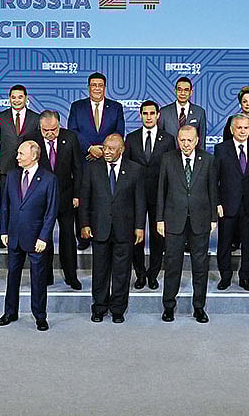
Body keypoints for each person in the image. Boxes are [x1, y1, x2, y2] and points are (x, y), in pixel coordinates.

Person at [79, 133, 145, 323]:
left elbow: (140, 201)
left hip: (124, 229)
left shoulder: (135, 170)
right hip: (100, 228)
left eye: (111, 149)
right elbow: (85, 199)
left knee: (121, 272)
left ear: (121, 150)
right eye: (105, 147)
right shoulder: (92, 168)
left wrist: (140, 227)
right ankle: (99, 308)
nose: (106, 152)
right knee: (99, 271)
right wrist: (84, 224)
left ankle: (118, 309)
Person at [157, 125, 217, 323]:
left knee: (200, 267)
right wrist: (159, 219)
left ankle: (199, 307)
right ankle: (169, 306)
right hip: (174, 220)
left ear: (197, 140)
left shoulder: (208, 160)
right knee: (173, 265)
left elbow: (212, 191)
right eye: (182, 140)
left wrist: (213, 218)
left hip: (200, 221)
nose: (185, 144)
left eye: (189, 140)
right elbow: (161, 191)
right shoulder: (168, 159)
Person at [0, 141, 58, 331]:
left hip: (36, 238)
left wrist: (44, 237)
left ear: (34, 156)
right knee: (12, 276)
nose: (17, 157)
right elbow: (5, 206)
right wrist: (3, 231)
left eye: (21, 154)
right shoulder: (12, 176)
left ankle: (40, 315)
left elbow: (51, 211)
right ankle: (10, 312)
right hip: (14, 235)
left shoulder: (49, 179)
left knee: (38, 279)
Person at [28, 110, 84, 289]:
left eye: (54, 129)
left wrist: (77, 194)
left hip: (66, 197)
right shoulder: (31, 139)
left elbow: (78, 167)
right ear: (40, 127)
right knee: (45, 238)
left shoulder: (71, 137)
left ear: (59, 126)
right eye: (46, 131)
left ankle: (71, 276)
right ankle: (46, 275)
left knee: (68, 237)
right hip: (41, 200)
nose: (50, 134)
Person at [124, 100, 175, 290]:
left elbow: (172, 170)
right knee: (136, 235)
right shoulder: (131, 138)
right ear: (140, 115)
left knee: (157, 237)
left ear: (158, 115)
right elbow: (126, 168)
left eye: (152, 113)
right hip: (135, 196)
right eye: (145, 113)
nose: (148, 117)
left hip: (159, 196)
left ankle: (153, 274)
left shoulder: (168, 139)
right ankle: (140, 274)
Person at [215, 114, 249, 291]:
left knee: (248, 244)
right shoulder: (221, 149)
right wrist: (217, 202)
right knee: (224, 243)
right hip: (228, 205)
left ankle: (245, 277)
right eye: (239, 128)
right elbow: (215, 179)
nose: (243, 131)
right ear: (232, 130)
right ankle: (225, 276)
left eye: (246, 128)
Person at [0, 84, 40, 243]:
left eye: (20, 97)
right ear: (9, 99)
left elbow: (39, 145)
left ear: (26, 98)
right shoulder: (1, 117)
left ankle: (28, 235)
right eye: (13, 97)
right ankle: (3, 236)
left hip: (29, 168)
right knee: (6, 203)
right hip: (5, 168)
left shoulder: (35, 117)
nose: (16, 100)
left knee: (28, 203)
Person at [68, 72, 127, 160]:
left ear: (104, 88)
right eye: (93, 85)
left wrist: (104, 149)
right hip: (84, 158)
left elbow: (119, 132)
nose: (97, 88)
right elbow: (72, 131)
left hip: (108, 158)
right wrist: (90, 148)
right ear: (88, 87)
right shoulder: (77, 106)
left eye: (100, 85)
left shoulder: (116, 107)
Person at [159, 76, 207, 141]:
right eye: (179, 90)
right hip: (170, 151)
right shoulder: (164, 112)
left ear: (191, 92)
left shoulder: (199, 112)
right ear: (175, 91)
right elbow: (160, 138)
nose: (182, 93)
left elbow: (202, 139)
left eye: (186, 90)